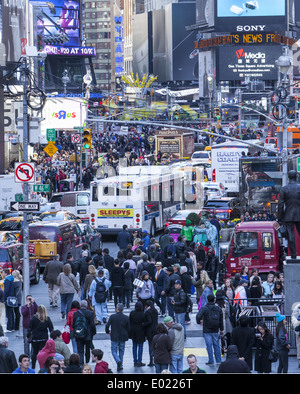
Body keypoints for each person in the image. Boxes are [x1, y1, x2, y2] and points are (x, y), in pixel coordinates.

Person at [196, 293, 223, 366]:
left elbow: (198, 316)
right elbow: (221, 320)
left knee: (209, 345)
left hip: (207, 329)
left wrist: (199, 322)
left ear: (207, 300)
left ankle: (211, 360)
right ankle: (218, 360)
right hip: (215, 329)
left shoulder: (204, 308)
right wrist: (221, 329)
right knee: (216, 345)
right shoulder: (218, 308)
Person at [27, 305, 54, 370]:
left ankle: (33, 366)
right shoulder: (47, 318)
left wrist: (28, 336)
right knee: (44, 353)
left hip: (35, 338)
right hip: (44, 338)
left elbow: (30, 328)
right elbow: (51, 329)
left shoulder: (33, 318)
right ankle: (44, 366)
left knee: (34, 353)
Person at [105, 303, 130, 372]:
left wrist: (108, 331)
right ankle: (120, 364)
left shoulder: (112, 316)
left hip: (114, 335)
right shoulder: (126, 317)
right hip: (123, 336)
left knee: (114, 351)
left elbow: (107, 325)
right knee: (121, 350)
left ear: (117, 308)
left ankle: (118, 360)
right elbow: (128, 328)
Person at [72, 300, 96, 366]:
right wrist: (93, 332)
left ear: (80, 305)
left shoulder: (76, 313)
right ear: (86, 305)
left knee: (80, 350)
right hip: (88, 334)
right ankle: (87, 362)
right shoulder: (90, 313)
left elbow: (73, 324)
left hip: (79, 333)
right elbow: (92, 324)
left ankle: (81, 363)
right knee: (87, 349)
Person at [129, 301, 146, 367]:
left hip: (133, 330)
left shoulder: (132, 313)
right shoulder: (143, 314)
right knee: (140, 346)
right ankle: (139, 361)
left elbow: (129, 321)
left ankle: (135, 360)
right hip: (140, 330)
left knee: (134, 346)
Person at [142, 299, 158, 367]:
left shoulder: (148, 312)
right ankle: (155, 359)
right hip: (155, 330)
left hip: (150, 331)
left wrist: (143, 324)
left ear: (146, 306)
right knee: (155, 345)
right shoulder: (155, 311)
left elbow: (149, 321)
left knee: (150, 346)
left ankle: (151, 360)